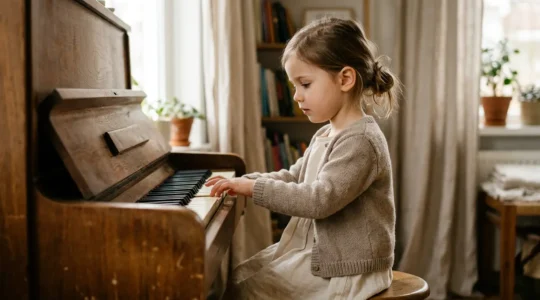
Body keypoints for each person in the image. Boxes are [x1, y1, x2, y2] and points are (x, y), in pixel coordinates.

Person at [205, 17, 401, 300]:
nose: (296, 96)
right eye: (294, 86)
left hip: (348, 270)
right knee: (241, 277)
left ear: (345, 79)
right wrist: (246, 181)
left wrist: (252, 189)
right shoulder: (327, 132)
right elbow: (295, 176)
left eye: (305, 84)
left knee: (247, 290)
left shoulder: (360, 141)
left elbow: (318, 199)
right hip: (321, 254)